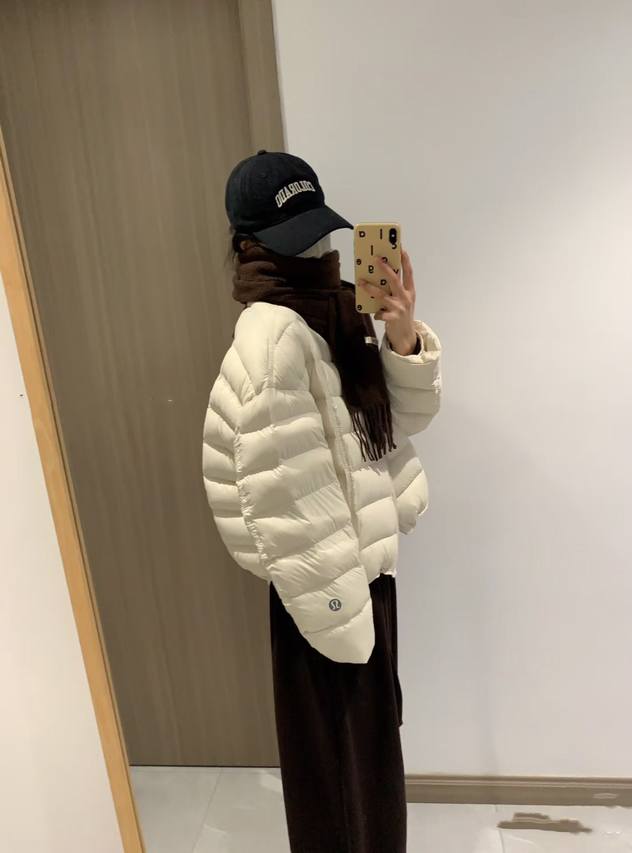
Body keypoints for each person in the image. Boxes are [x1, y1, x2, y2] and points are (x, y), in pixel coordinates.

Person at [202, 149, 442, 853]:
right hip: (327, 595)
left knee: (364, 780)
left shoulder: (335, 313)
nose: (316, 249)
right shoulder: (275, 338)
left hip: (361, 579)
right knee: (342, 793)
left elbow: (399, 425)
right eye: (294, 237)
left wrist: (401, 336)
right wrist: (342, 617)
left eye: (317, 230)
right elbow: (287, 507)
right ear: (251, 245)